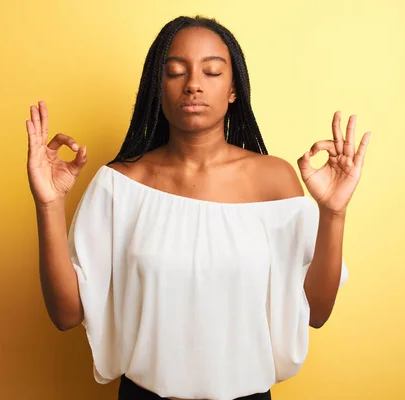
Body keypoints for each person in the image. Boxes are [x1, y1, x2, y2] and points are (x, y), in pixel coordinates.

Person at [25, 15, 370, 400]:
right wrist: (50, 204)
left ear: (233, 88)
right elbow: (66, 314)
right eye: (175, 72)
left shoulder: (275, 181)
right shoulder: (121, 185)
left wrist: (334, 213)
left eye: (211, 71)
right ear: (158, 88)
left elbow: (317, 312)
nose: (193, 85)